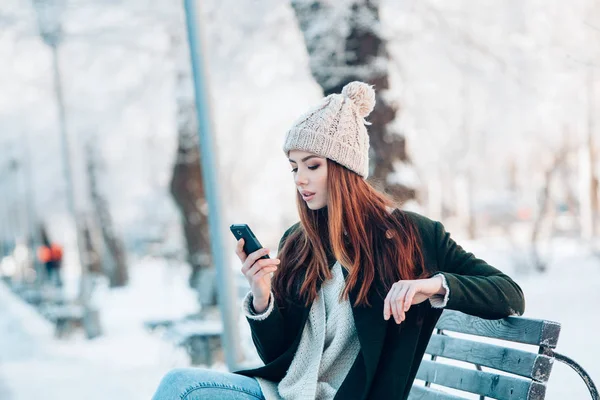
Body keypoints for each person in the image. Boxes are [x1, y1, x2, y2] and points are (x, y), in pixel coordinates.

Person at [152, 82, 525, 400]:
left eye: (312, 165)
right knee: (182, 386)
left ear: (345, 168)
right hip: (289, 391)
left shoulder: (413, 234)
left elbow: (508, 293)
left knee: (183, 387)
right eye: (294, 167)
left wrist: (430, 286)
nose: (300, 179)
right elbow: (281, 354)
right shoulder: (299, 241)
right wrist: (262, 295)